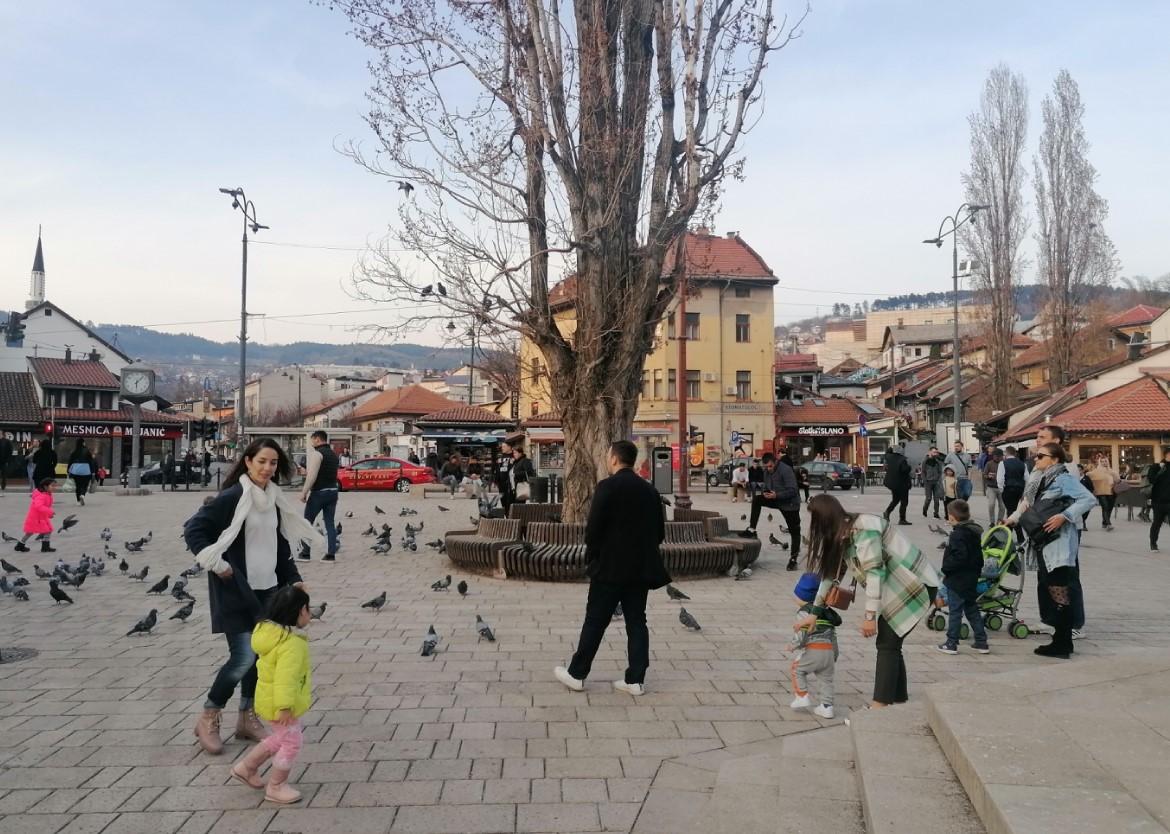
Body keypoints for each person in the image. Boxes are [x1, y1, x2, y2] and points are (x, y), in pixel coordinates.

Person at [182, 437, 322, 755]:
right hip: (235, 588)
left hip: (268, 592)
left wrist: (294, 581)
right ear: (247, 461)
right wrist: (217, 564)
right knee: (243, 657)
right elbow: (194, 529)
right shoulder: (233, 497)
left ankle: (247, 716)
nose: (267, 468)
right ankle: (208, 716)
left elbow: (280, 544)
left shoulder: (272, 499)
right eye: (261, 461)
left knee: (261, 657)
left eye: (273, 463)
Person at [802, 494, 940, 708]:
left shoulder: (864, 530)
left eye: (815, 520)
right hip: (898, 586)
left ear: (825, 519)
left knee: (887, 643)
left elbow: (875, 573)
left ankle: (879, 706)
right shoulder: (845, 531)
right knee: (891, 642)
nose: (814, 526)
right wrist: (814, 613)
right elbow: (829, 575)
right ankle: (898, 699)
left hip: (915, 584)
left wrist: (869, 617)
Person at [555, 440, 669, 696]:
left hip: (609, 567)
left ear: (615, 459)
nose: (608, 460)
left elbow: (593, 531)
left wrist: (594, 558)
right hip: (639, 570)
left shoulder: (607, 487)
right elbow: (659, 533)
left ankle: (577, 673)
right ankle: (636, 680)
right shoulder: (649, 491)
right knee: (637, 622)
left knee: (596, 620)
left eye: (609, 456)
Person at [1003, 443, 1095, 658]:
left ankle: (1063, 644)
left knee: (1059, 593)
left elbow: (1089, 499)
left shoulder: (1063, 478)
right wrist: (1011, 520)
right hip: (1044, 544)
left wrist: (1065, 516)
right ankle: (1060, 640)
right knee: (1050, 590)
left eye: (1040, 456)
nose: (1036, 459)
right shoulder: (1041, 480)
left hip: (1059, 545)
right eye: (1036, 456)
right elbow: (1028, 505)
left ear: (1054, 459)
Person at [229, 585, 314, 804]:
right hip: (281, 704)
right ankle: (276, 786)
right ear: (300, 611)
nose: (310, 613)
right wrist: (285, 706)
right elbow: (286, 678)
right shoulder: (292, 643)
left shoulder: (269, 633)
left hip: (268, 699)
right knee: (292, 741)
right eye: (308, 608)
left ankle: (246, 768)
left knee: (279, 737)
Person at [935, 499, 990, 655]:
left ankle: (951, 642)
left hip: (957, 579)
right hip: (971, 578)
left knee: (955, 611)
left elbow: (960, 556)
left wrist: (946, 568)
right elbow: (978, 557)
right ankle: (981, 642)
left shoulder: (957, 535)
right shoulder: (974, 532)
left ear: (952, 517)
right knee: (971, 609)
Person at [738, 453, 801, 571]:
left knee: (794, 530)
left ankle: (793, 559)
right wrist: (766, 492)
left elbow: (793, 490)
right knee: (757, 500)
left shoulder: (786, 470)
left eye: (770, 466)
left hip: (790, 504)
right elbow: (767, 485)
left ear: (776, 462)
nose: (768, 469)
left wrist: (777, 494)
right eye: (766, 467)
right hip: (775, 498)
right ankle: (752, 529)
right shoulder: (766, 471)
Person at [789, 573, 838, 718]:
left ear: (801, 595)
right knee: (826, 680)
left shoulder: (804, 613)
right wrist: (834, 655)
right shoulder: (826, 613)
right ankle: (827, 707)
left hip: (814, 649)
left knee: (797, 669)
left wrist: (794, 645)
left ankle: (802, 696)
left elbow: (802, 633)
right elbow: (833, 636)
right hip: (829, 652)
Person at [300, 431, 340, 563]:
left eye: (312, 440)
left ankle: (305, 553)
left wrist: (304, 492)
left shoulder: (317, 454)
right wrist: (308, 472)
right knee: (329, 523)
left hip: (319, 493)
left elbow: (312, 476)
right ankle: (330, 554)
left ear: (317, 439)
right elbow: (325, 472)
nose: (311, 443)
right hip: (333, 491)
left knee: (307, 522)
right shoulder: (333, 455)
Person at [14, 477, 57, 553]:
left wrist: (48, 514)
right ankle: (44, 547)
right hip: (36, 518)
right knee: (35, 531)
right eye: (52, 486)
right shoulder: (42, 495)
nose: (54, 488)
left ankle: (20, 545)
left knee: (42, 531)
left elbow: (44, 506)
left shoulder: (47, 494)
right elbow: (39, 506)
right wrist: (50, 512)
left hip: (41, 517)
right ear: (45, 486)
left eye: (55, 486)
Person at [1146, 447, 1170, 552]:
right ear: (1165, 455)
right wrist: (1159, 469)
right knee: (1157, 523)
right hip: (1158, 501)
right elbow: (1151, 480)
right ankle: (1153, 544)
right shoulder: (1156, 466)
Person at [882, 443, 912, 525]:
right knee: (904, 502)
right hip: (902, 484)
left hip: (893, 484)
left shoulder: (889, 457)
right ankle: (902, 519)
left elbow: (887, 453)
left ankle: (887, 512)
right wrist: (909, 467)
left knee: (895, 500)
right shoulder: (902, 459)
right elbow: (904, 470)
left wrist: (890, 448)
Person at [1087, 455, 1118, 531]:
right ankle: (1108, 524)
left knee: (1109, 509)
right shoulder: (1096, 471)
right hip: (1101, 492)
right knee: (1105, 507)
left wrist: (1115, 477)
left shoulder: (1112, 471)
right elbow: (1088, 475)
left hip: (1112, 492)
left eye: (1105, 461)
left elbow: (1117, 480)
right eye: (1102, 461)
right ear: (1099, 462)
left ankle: (1104, 522)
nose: (1104, 463)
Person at [997, 445, 1027, 516]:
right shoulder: (1023, 464)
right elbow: (1027, 479)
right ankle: (1012, 524)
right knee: (1014, 508)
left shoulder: (1002, 463)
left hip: (1008, 489)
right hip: (1019, 489)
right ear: (1015, 453)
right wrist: (1024, 491)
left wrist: (1001, 489)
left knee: (1010, 510)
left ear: (1006, 453)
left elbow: (1000, 479)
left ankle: (1015, 526)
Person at [67, 440, 96, 506]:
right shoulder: (87, 451)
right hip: (86, 470)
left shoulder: (74, 452)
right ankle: (82, 495)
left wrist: (68, 470)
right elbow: (91, 462)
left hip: (76, 471)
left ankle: (78, 501)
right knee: (85, 485)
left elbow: (70, 462)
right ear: (83, 443)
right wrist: (93, 472)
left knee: (78, 486)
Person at [983, 449, 1005, 526]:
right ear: (993, 456)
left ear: (1002, 456)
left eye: (999, 456)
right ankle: (992, 521)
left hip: (1001, 488)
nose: (998, 458)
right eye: (996, 456)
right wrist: (988, 476)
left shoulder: (1004, 464)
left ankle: (999, 520)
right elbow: (984, 474)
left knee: (1002, 506)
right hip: (991, 487)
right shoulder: (989, 464)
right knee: (991, 504)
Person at [921, 446, 943, 518]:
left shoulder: (938, 461)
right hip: (928, 482)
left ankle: (936, 513)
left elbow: (940, 472)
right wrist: (925, 481)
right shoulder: (925, 461)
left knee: (936, 499)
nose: (935, 453)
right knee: (928, 498)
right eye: (934, 452)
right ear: (930, 452)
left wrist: (938, 479)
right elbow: (923, 472)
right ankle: (925, 510)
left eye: (936, 452)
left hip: (936, 482)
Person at [495, 441, 514, 513]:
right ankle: (505, 514)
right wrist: (496, 480)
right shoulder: (500, 457)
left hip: (510, 483)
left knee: (509, 500)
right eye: (502, 447)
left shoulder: (513, 456)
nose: (502, 448)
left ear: (509, 447)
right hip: (501, 483)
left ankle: (510, 515)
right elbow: (497, 469)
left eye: (504, 446)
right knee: (503, 500)